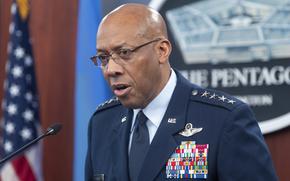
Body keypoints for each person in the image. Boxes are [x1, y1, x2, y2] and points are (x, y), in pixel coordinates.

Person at [85, 3, 278, 181]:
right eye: (103, 57)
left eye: (125, 53)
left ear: (162, 50)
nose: (111, 69)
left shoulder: (223, 120)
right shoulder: (102, 122)